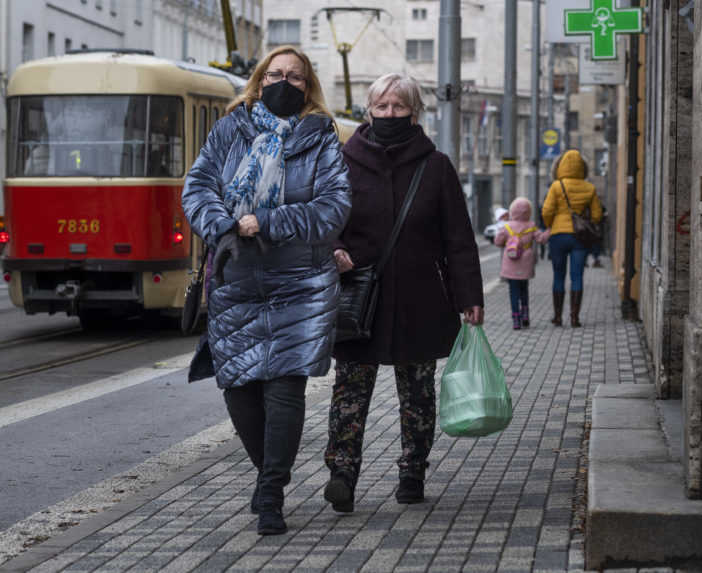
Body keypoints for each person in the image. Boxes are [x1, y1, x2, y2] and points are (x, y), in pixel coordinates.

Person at [181, 45, 351, 535]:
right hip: (237, 279)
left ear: (307, 85)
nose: (283, 82)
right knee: (239, 390)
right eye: (275, 74)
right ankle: (267, 475)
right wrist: (225, 228)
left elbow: (334, 207)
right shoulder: (231, 128)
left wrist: (268, 221)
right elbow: (198, 186)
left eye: (294, 77)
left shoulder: (322, 137)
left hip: (300, 282)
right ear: (258, 80)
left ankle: (272, 491)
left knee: (283, 388)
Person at [324, 73, 484, 513]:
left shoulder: (436, 166)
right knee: (350, 393)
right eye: (382, 107)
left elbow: (458, 238)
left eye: (398, 107)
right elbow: (325, 223)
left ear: (415, 113)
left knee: (417, 394)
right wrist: (335, 248)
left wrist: (470, 294)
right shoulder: (342, 161)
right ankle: (342, 474)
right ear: (369, 111)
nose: (389, 115)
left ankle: (413, 471)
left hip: (420, 300)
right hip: (360, 301)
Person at [541, 149, 602, 327]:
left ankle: (558, 317)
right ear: (582, 167)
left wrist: (550, 224)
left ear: (561, 166)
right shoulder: (589, 187)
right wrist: (585, 218)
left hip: (558, 236)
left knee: (558, 276)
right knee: (577, 276)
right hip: (580, 237)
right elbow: (597, 215)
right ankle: (575, 317)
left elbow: (546, 211)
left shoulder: (556, 186)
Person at [494, 197, 544, 329]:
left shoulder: (507, 227)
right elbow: (541, 239)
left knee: (513, 291)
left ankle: (516, 318)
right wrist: (550, 231)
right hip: (526, 262)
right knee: (524, 289)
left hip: (511, 262)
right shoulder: (531, 226)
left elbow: (498, 242)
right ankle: (526, 314)